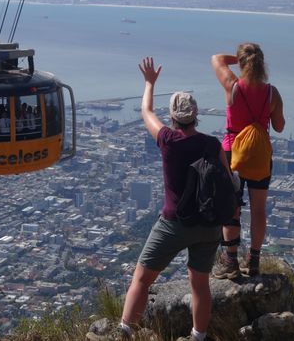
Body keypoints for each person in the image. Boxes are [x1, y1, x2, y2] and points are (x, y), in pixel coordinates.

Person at [115, 57, 228, 341]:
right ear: (196, 114)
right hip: (208, 224)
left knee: (141, 279)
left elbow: (145, 110)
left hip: (174, 223)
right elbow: (227, 180)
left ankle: (125, 330)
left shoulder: (168, 140)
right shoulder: (212, 144)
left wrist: (149, 83)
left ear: (174, 116)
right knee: (200, 284)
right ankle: (198, 335)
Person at [211, 43, 285, 279]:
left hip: (232, 153)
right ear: (262, 64)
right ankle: (253, 259)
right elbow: (280, 126)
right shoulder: (272, 92)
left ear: (243, 64)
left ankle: (230, 260)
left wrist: (243, 60)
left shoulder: (233, 86)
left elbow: (217, 59)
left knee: (231, 206)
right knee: (258, 209)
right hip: (260, 155)